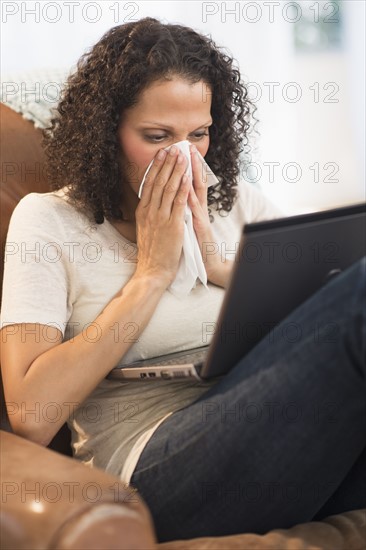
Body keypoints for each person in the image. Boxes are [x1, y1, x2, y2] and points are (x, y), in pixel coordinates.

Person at [1, 17, 365, 543]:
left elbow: (320, 332)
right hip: (160, 463)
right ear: (107, 134)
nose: (184, 157)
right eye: (157, 137)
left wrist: (218, 265)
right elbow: (32, 415)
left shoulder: (238, 202)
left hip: (287, 444)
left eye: (199, 134)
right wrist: (150, 276)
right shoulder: (49, 222)